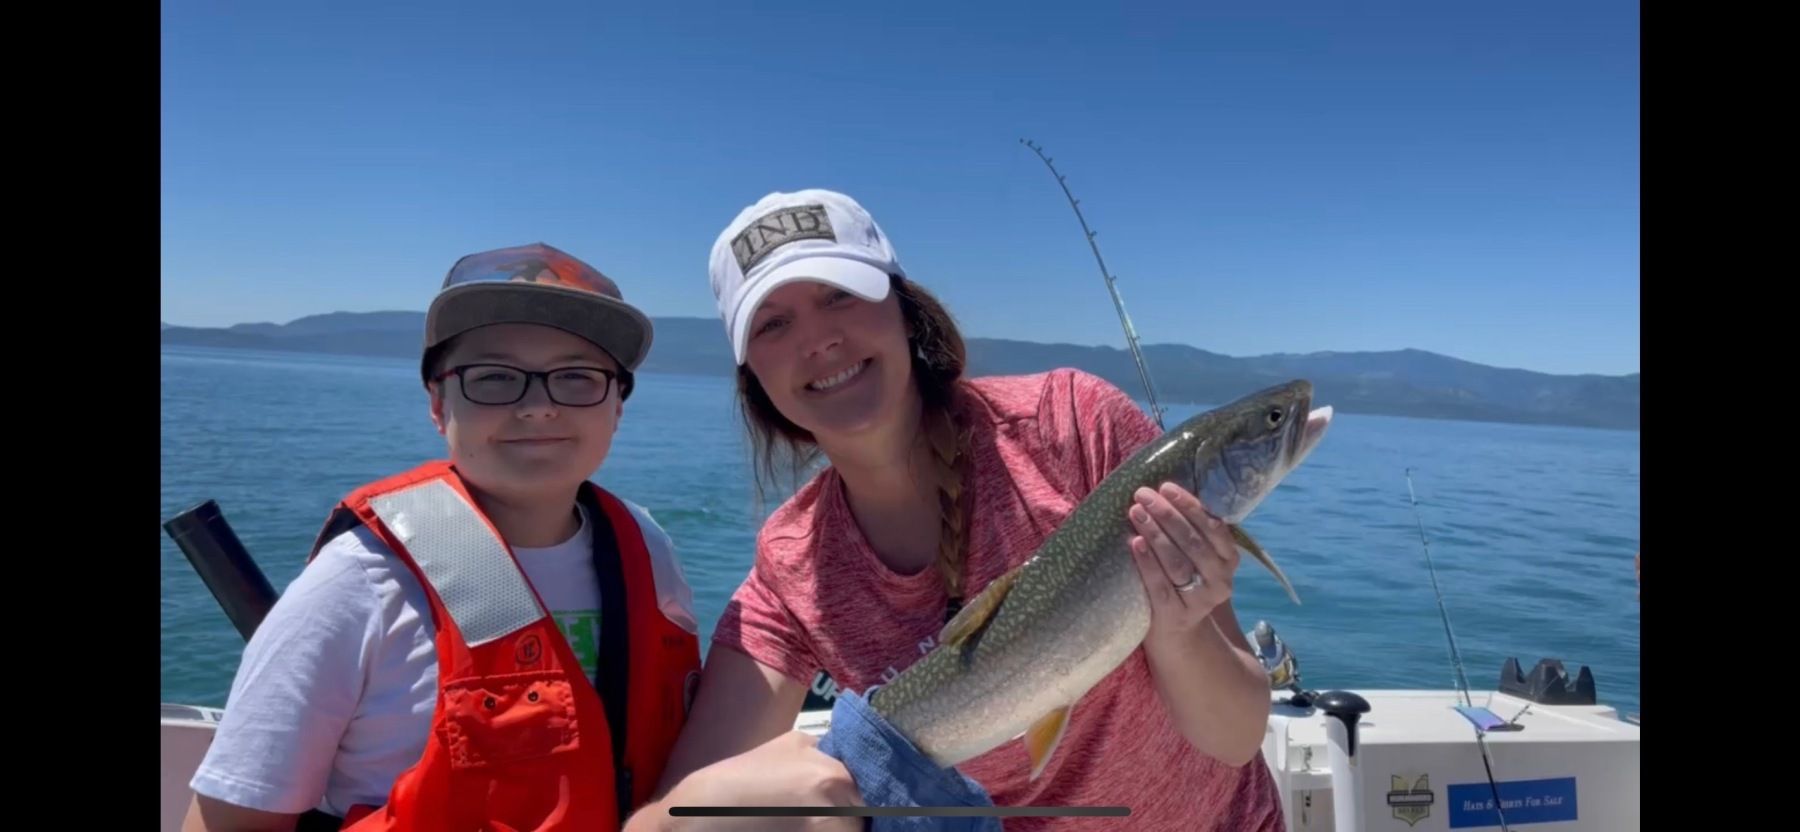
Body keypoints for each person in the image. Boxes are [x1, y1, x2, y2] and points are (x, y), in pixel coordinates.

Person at [636, 190, 1285, 830]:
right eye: (774, 324)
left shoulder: (1074, 426)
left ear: (904, 311)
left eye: (839, 295)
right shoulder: (793, 563)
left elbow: (1234, 737)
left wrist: (1178, 626)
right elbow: (673, 815)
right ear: (754, 379)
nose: (819, 339)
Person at [184, 243, 703, 831]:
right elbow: (229, 822)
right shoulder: (359, 585)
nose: (538, 407)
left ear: (617, 407)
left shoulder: (649, 550)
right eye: (495, 377)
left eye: (577, 378)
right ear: (438, 403)